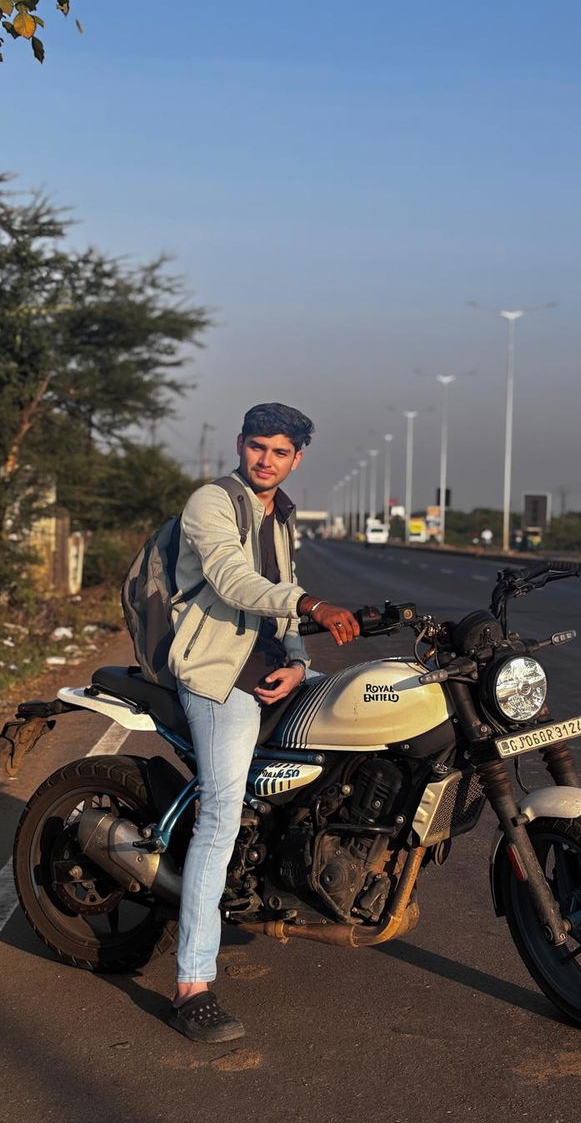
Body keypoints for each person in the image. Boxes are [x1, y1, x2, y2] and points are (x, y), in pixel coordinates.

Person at [166, 402, 359, 1042]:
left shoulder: (281, 514)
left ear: (296, 457)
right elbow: (233, 580)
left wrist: (302, 661)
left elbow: (281, 595)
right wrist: (312, 604)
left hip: (271, 667)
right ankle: (194, 982)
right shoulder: (213, 502)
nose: (265, 460)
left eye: (279, 451)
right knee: (222, 811)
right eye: (257, 447)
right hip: (218, 672)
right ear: (240, 445)